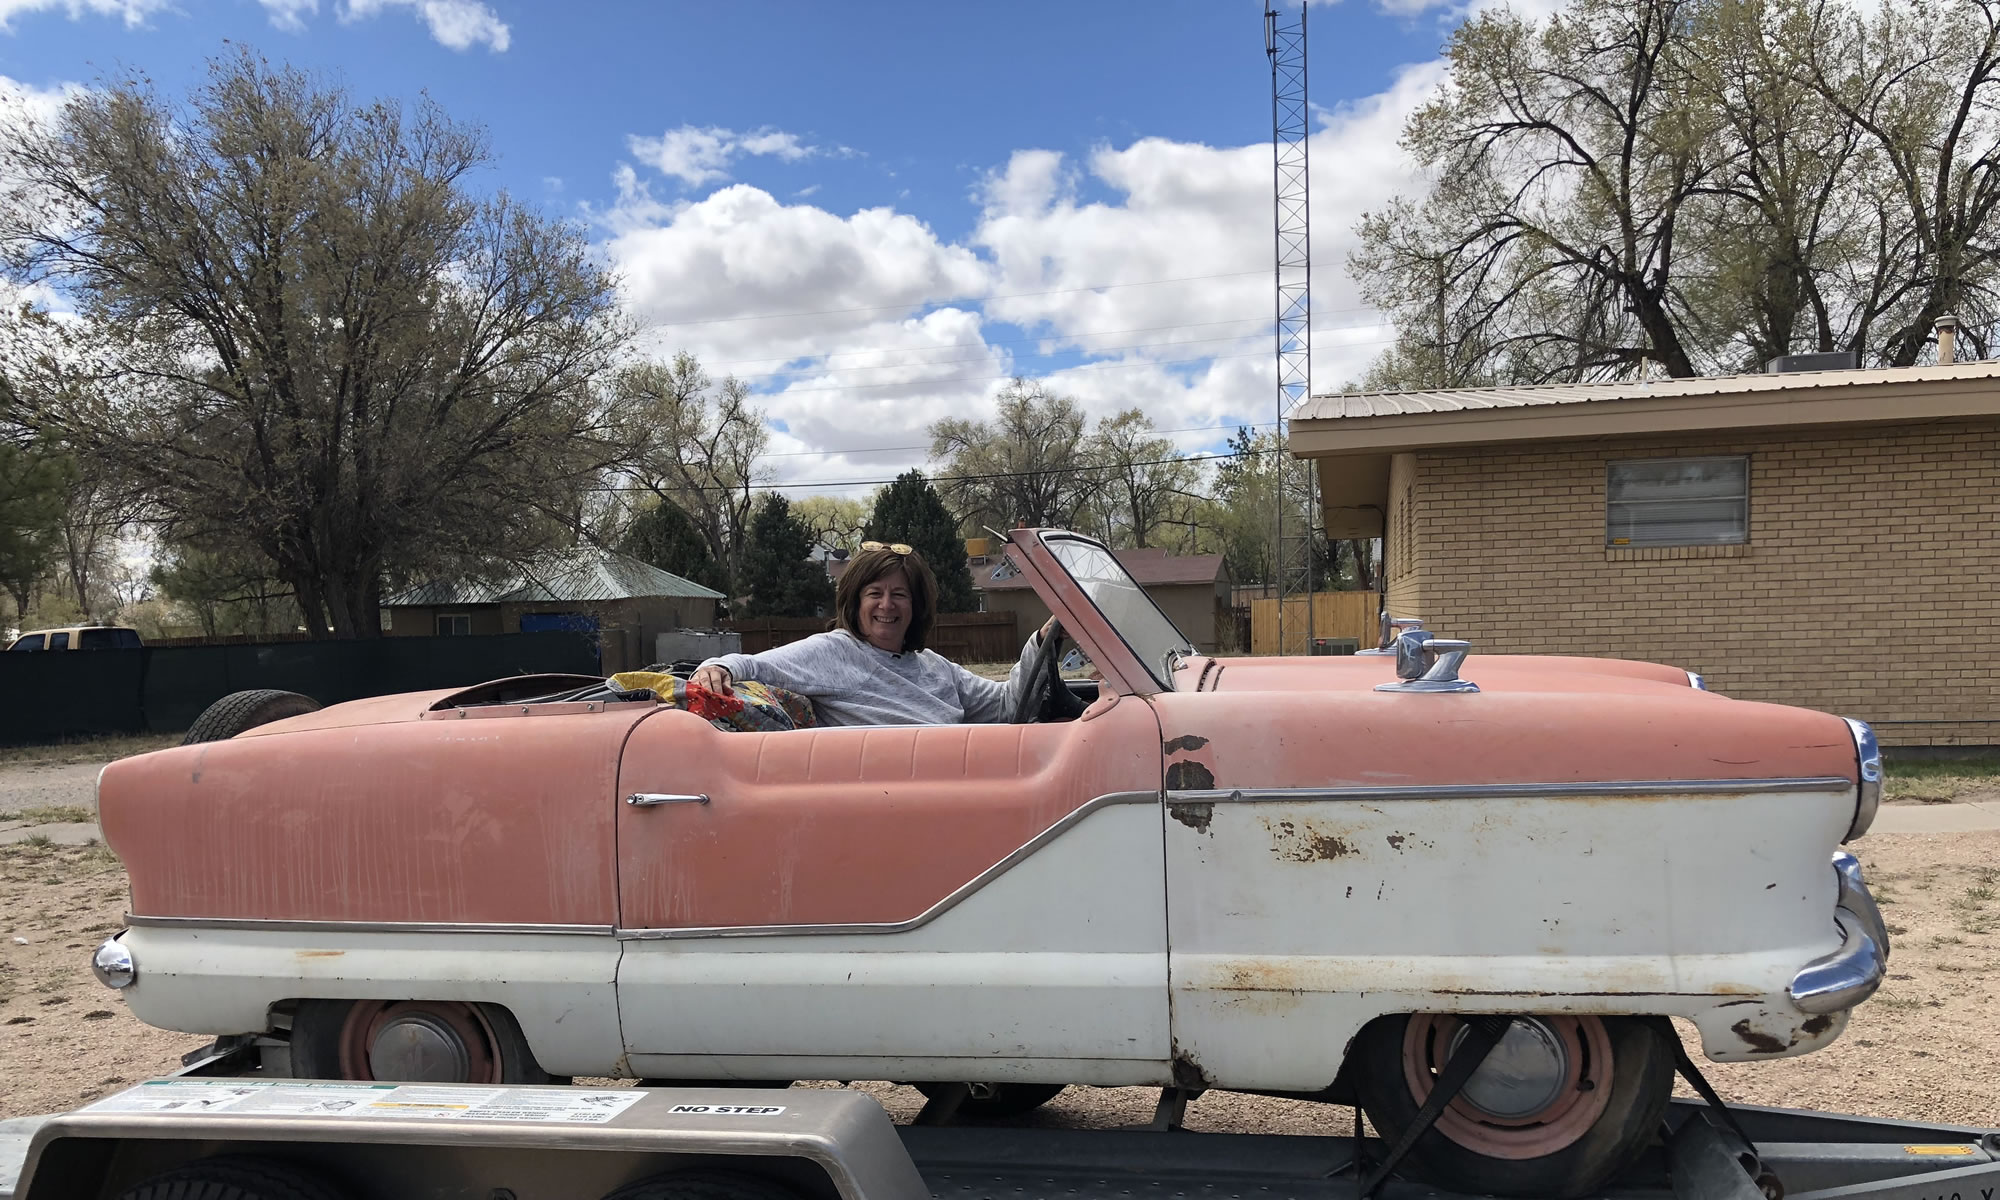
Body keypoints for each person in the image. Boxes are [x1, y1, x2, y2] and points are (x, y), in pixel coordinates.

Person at [691, 541, 1055, 727]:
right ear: (855, 601)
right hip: (894, 797)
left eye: (899, 595)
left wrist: (1043, 639)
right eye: (874, 594)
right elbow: (754, 666)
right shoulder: (836, 651)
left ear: (916, 606)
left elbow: (1009, 707)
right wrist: (717, 667)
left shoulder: (934, 667)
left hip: (963, 781)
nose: (887, 605)